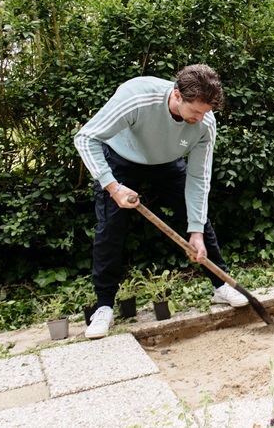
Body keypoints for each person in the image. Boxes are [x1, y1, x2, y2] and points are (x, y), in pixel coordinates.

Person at [75, 64, 248, 340]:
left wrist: (196, 231)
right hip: (120, 161)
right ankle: (104, 305)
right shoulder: (137, 97)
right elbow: (86, 138)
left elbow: (199, 179)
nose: (202, 118)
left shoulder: (205, 121)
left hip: (167, 163)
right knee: (110, 228)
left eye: (207, 112)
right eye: (196, 111)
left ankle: (221, 285)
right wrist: (112, 186)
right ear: (177, 95)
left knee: (200, 220)